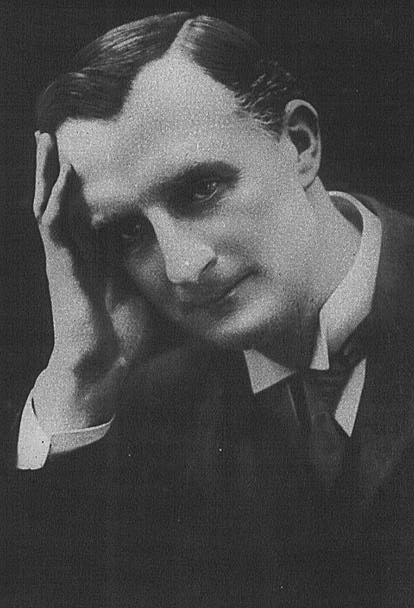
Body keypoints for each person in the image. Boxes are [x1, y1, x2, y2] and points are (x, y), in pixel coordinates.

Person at [4, 11, 414, 607]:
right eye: (129, 232)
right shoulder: (153, 412)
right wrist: (81, 378)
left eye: (201, 190)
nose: (182, 266)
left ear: (300, 144)